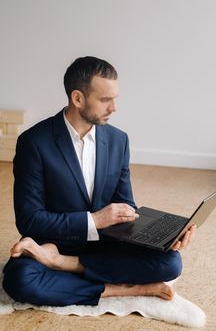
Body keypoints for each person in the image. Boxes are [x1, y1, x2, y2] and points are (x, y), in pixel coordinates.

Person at [2, 56, 196, 306]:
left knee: (171, 262)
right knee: (20, 280)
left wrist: (161, 236)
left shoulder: (118, 140)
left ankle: (63, 265)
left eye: (115, 98)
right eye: (105, 99)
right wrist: (93, 220)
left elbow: (125, 206)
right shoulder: (34, 142)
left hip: (103, 244)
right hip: (54, 241)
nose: (113, 108)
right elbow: (29, 220)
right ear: (78, 98)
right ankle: (124, 290)